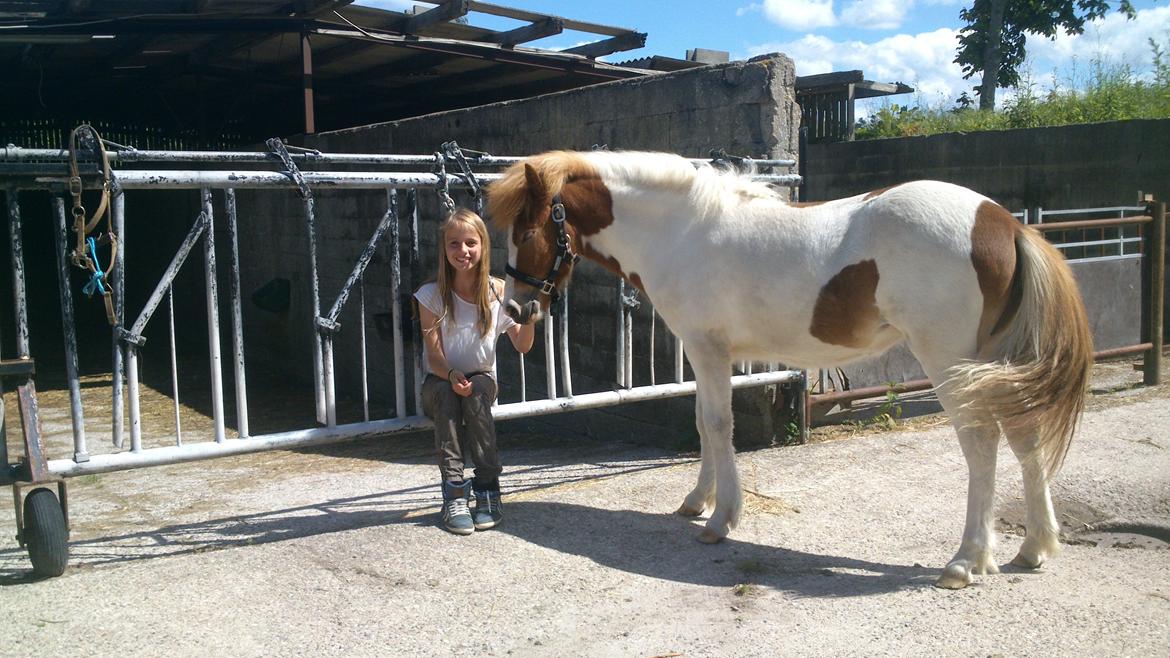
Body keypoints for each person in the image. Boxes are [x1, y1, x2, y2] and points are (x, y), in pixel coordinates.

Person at [414, 208, 535, 535]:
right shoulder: (431, 295)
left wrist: (530, 317)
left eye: (470, 242)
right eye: (454, 244)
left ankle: (487, 490)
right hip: (440, 380)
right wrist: (452, 375)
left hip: (481, 379)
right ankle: (453, 493)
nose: (462, 251)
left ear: (483, 246)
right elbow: (435, 357)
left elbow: (523, 345)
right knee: (446, 395)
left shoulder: (498, 292)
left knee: (478, 391)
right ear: (443, 249)